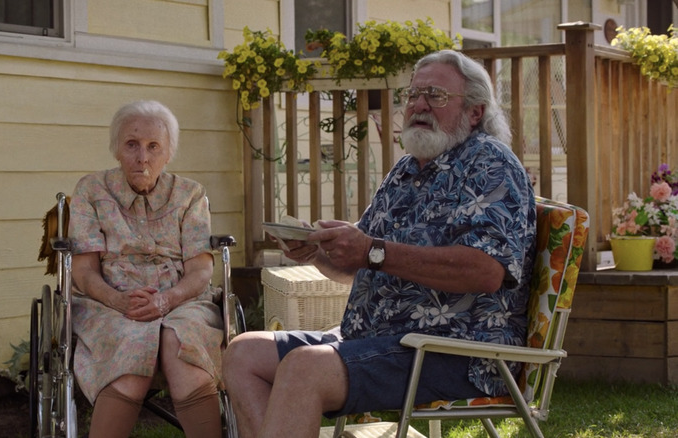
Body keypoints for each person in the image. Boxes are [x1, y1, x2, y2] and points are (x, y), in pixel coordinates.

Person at [222, 50, 537, 438]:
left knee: (305, 368)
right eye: (414, 94)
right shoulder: (407, 168)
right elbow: (362, 264)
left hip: (452, 351)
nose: (419, 105)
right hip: (375, 340)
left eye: (436, 95)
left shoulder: (490, 164)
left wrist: (373, 250)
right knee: (243, 354)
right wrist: (320, 251)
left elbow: (487, 270)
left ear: (474, 112)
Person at [68, 100, 224, 438]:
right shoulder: (91, 191)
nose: (143, 157)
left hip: (183, 300)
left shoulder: (190, 195)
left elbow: (199, 272)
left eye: (154, 146)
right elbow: (83, 272)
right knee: (131, 350)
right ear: (116, 150)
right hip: (109, 303)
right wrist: (119, 302)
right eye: (132, 145)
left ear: (168, 152)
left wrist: (167, 300)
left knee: (184, 349)